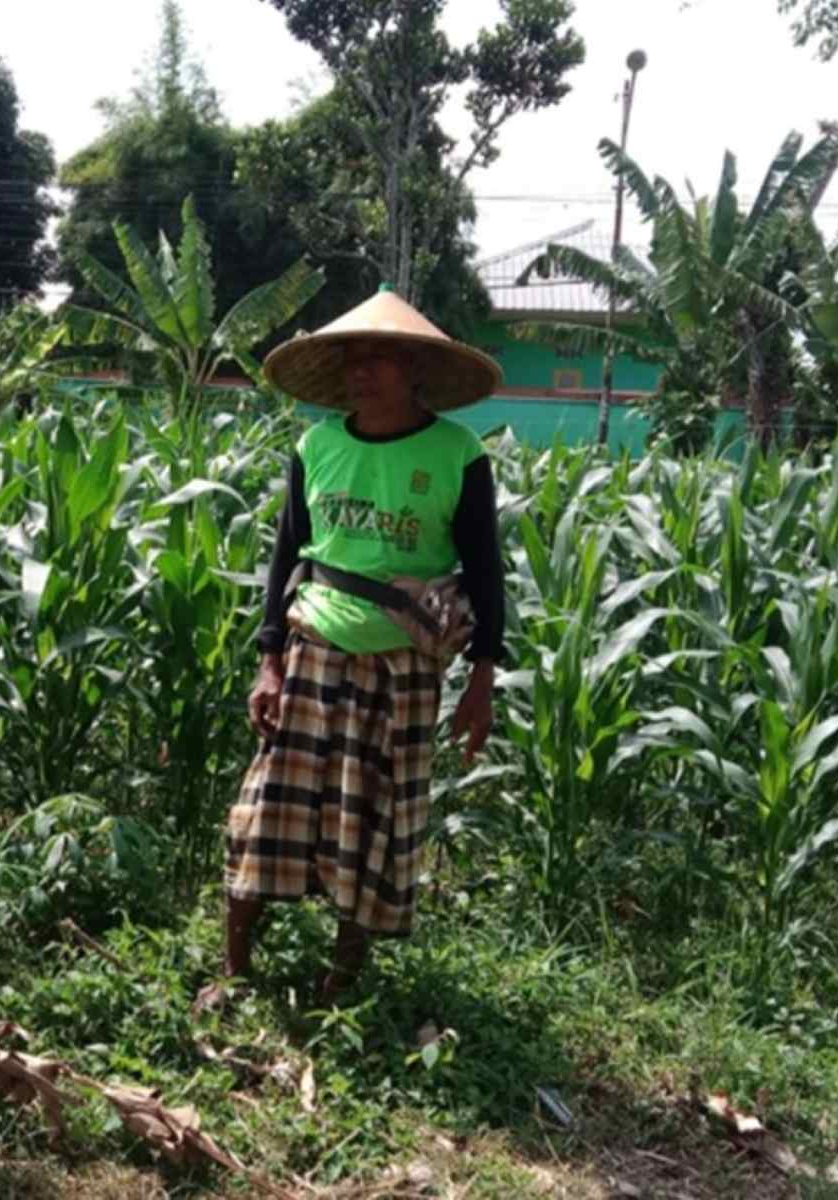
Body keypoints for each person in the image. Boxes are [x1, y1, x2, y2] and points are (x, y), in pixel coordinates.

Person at [197, 286, 507, 1012]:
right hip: (315, 648)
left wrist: (482, 678)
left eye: (378, 359)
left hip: (405, 661)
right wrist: (268, 660)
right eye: (351, 360)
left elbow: (483, 568)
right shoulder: (317, 446)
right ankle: (235, 968)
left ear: (415, 370)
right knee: (267, 806)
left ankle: (341, 981)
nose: (360, 373)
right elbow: (286, 556)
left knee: (374, 816)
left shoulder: (457, 454)